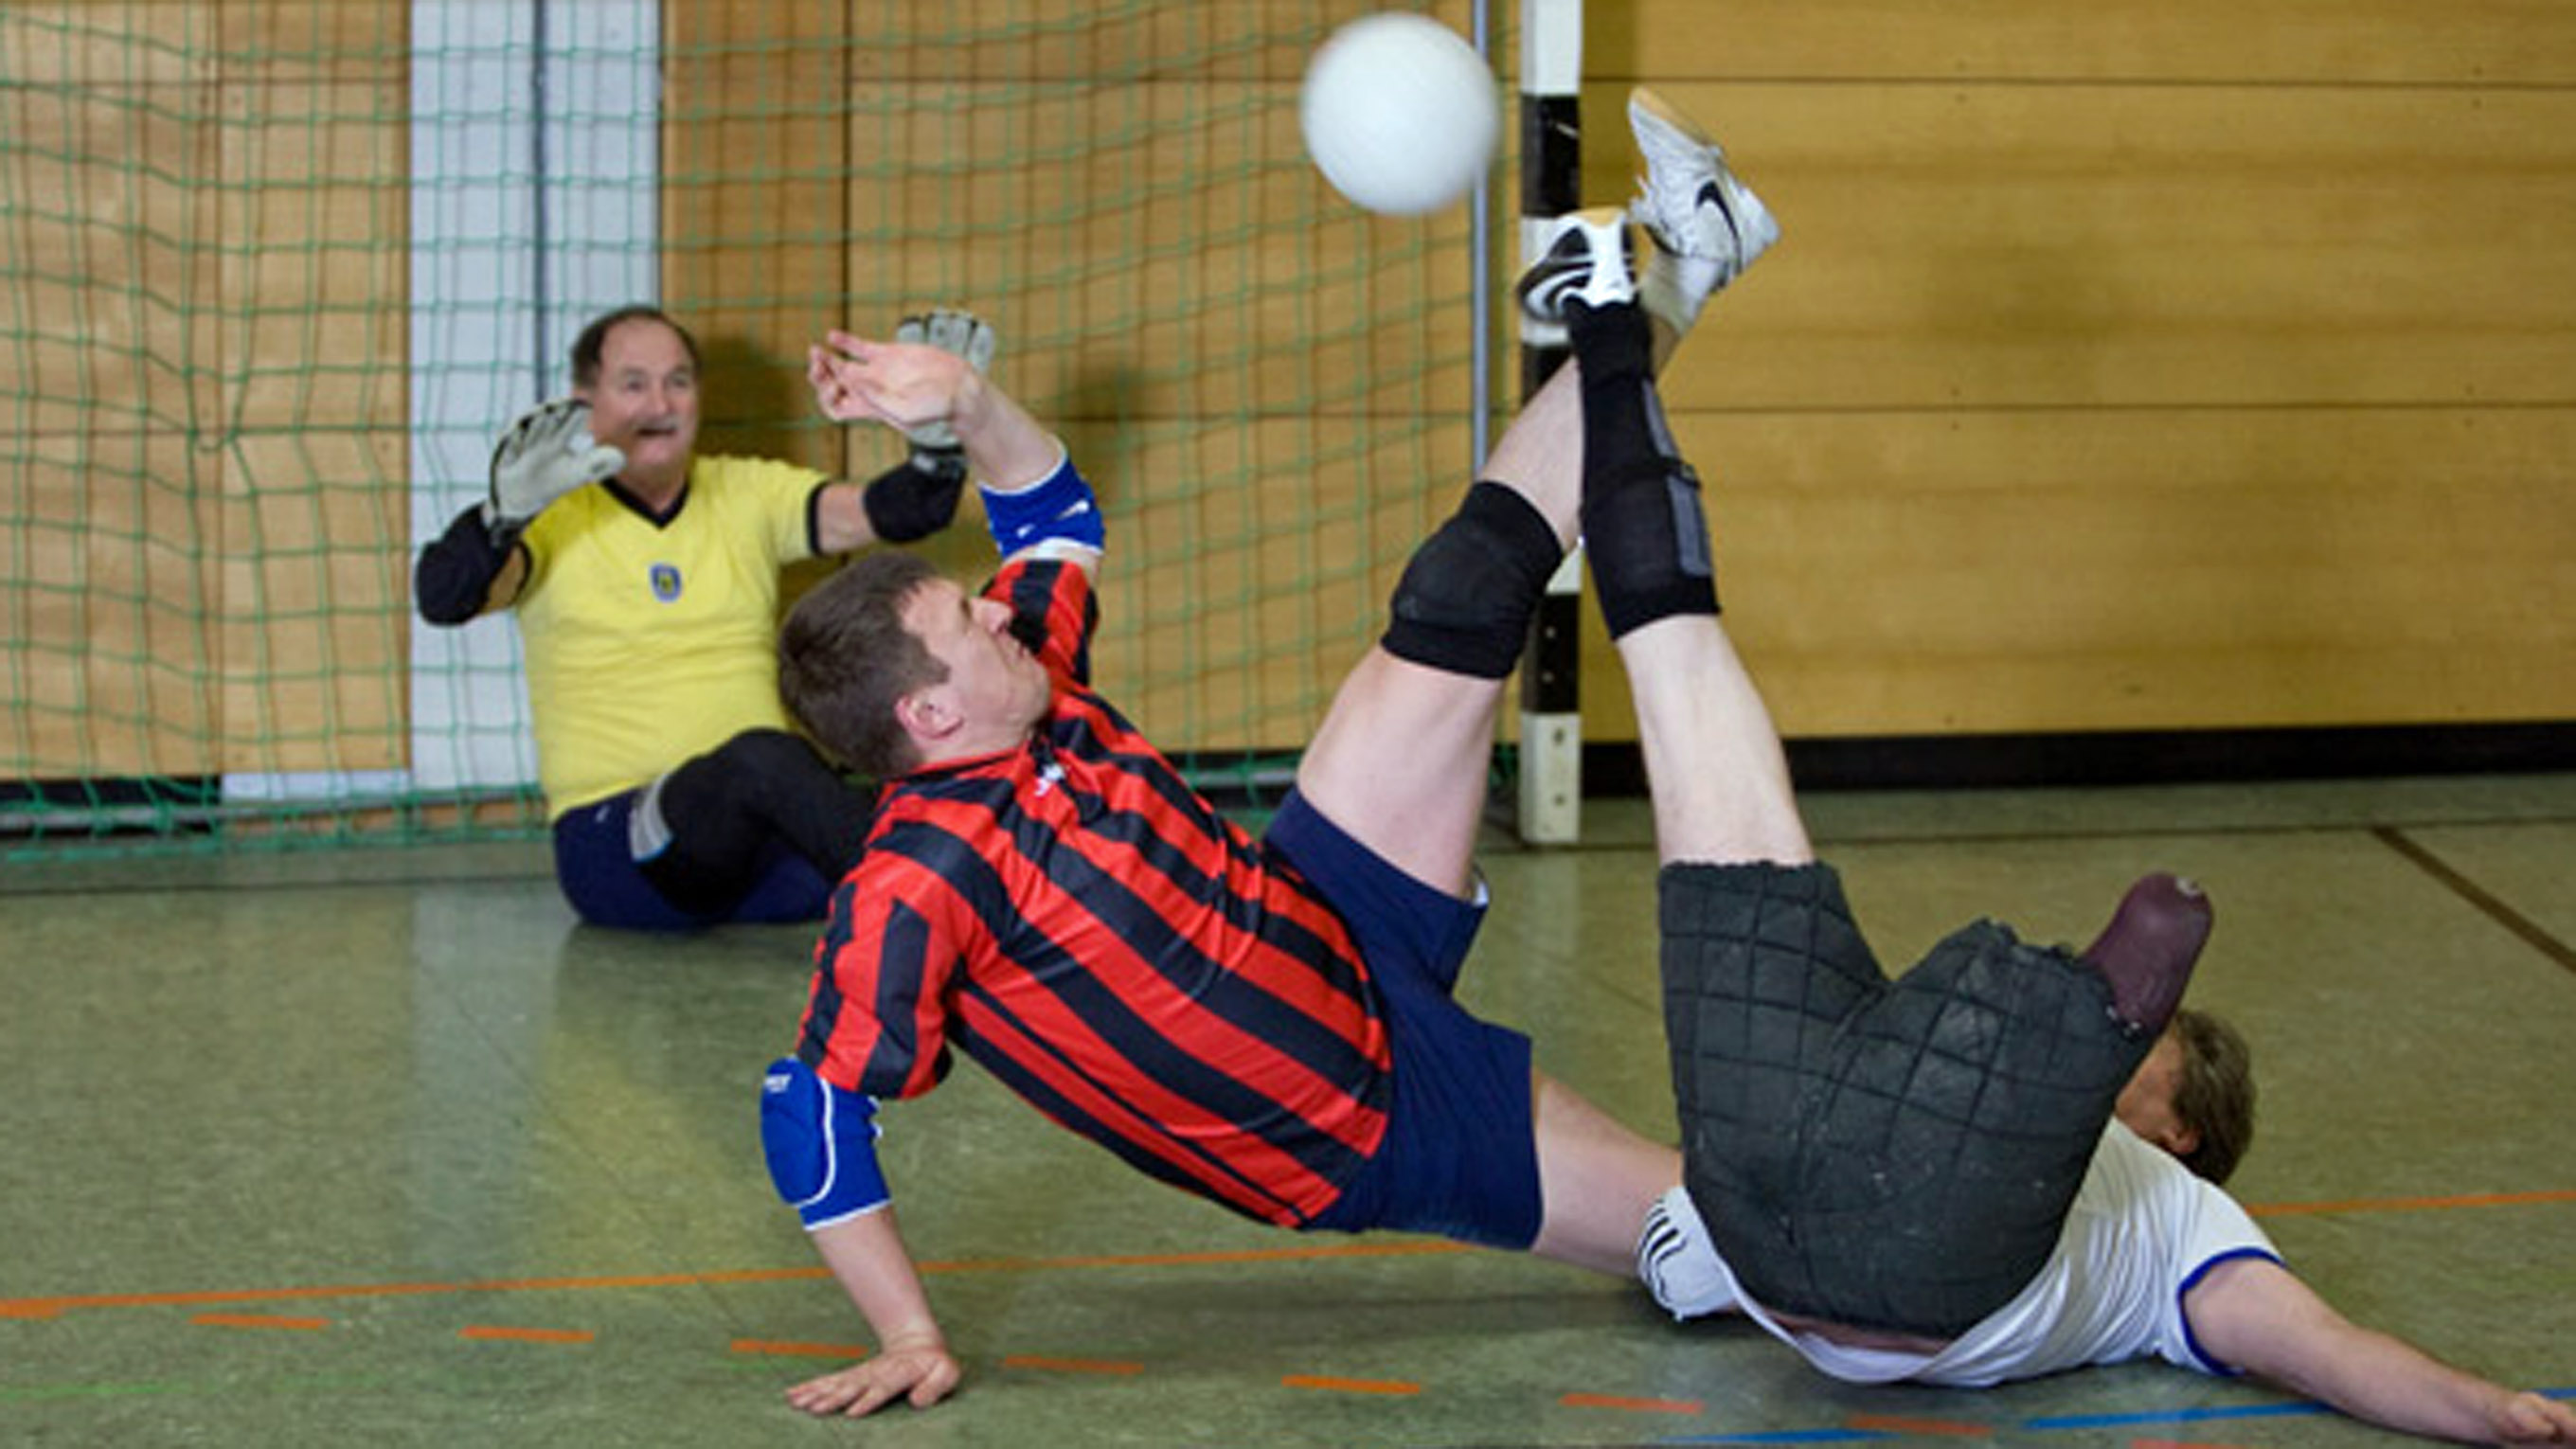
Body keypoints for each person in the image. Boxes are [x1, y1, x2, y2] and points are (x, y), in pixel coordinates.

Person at [748, 90, 1778, 1420]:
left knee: (1465, 590)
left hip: (1327, 906)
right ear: (929, 721)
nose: (999, 605)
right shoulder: (917, 880)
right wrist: (910, 1332)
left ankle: (1692, 252)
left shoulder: (1029, 685)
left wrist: (968, 399)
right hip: (1366, 1111)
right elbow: (809, 1109)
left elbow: (1050, 508)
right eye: (967, 620)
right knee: (1736, 1241)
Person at [1514, 192, 2576, 1444]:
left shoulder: (2187, 1229)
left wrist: (2491, 1410)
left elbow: (2330, 1350)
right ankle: (1605, 321)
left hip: (1912, 1273)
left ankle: (2103, 995)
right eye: (2142, 1035)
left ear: (2182, 1129)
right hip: (1800, 1166)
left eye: (2152, 1056)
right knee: (1680, 669)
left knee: (1994, 1066)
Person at [412, 305, 996, 930]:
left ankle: (1009, 902)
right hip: (623, 854)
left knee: (929, 782)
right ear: (586, 400)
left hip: (764, 847)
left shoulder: (743, 492)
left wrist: (939, 448)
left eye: (679, 381)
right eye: (633, 384)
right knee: (766, 762)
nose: (659, 402)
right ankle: (962, 922)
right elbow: (443, 599)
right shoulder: (554, 518)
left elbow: (896, 512)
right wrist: (499, 522)